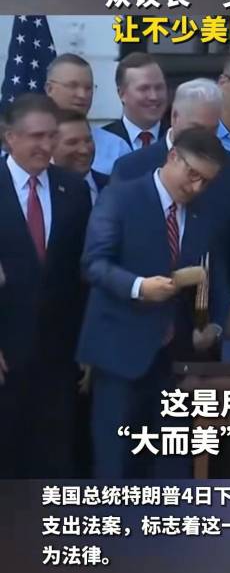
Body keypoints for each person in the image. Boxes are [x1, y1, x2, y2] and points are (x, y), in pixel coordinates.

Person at [77, 127, 227, 477]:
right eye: (193, 175)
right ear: (173, 156)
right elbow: (94, 263)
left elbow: (215, 274)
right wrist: (138, 287)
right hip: (120, 350)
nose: (196, 187)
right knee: (116, 463)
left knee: (172, 464)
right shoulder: (121, 197)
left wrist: (213, 326)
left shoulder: (205, 211)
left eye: (206, 181)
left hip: (177, 358)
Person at [112, 78, 230, 338]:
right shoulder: (131, 168)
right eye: (197, 129)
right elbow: (113, 249)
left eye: (213, 130)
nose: (205, 139)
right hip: (141, 324)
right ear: (175, 116)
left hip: (210, 325)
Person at [0, 94, 91, 478]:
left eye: (52, 136)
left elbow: (83, 274)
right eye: (36, 136)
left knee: (55, 466)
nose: (46, 145)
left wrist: (89, 346)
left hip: (59, 357)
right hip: (6, 354)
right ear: (9, 137)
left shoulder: (73, 190)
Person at [45, 52, 130, 174]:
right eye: (73, 86)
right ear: (49, 89)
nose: (82, 95)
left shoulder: (116, 148)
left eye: (88, 88)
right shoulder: (26, 143)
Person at [103, 52, 169, 150]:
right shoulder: (101, 141)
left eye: (159, 87)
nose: (154, 96)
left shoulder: (179, 138)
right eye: (144, 89)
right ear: (121, 94)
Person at [52, 109, 108, 205]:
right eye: (72, 143)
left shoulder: (115, 187)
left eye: (88, 140)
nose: (84, 150)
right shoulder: (40, 193)